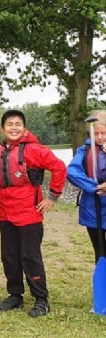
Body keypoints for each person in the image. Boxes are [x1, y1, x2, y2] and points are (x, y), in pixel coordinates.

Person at [0, 109, 66, 317]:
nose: (14, 128)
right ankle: (15, 295)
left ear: (25, 128)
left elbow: (59, 167)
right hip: (5, 212)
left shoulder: (34, 150)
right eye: (10, 124)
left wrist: (52, 197)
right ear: (2, 129)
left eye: (18, 124)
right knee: (9, 256)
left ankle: (41, 298)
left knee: (30, 256)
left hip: (29, 212)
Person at [67, 111, 106, 263]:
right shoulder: (85, 150)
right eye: (96, 134)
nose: (100, 137)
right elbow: (72, 172)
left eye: (103, 133)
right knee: (100, 252)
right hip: (92, 208)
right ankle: (101, 276)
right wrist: (95, 187)